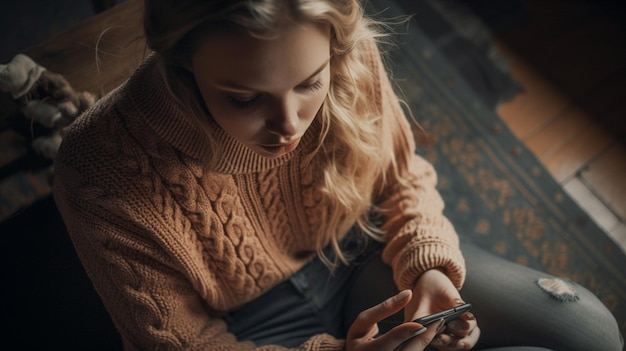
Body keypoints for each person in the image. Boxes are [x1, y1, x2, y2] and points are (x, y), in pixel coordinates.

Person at [53, 0, 623, 350]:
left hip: (358, 255)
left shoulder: (349, 56)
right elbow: (183, 342)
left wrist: (424, 263)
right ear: (180, 61)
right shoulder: (96, 168)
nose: (289, 124)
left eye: (309, 83)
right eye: (245, 98)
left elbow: (401, 176)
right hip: (241, 328)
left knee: (588, 332)